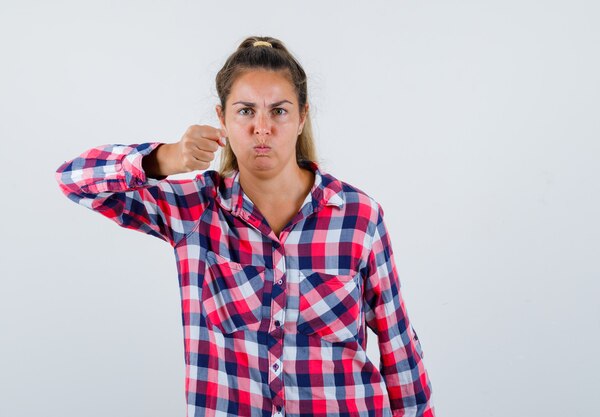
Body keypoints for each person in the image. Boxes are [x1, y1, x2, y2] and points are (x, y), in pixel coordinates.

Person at [55, 36, 434, 417]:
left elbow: (396, 345)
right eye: (246, 111)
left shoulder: (358, 216)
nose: (262, 128)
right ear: (222, 118)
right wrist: (164, 158)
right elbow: (74, 180)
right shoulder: (195, 211)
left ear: (303, 117)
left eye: (280, 111)